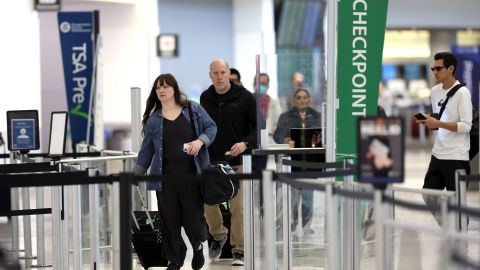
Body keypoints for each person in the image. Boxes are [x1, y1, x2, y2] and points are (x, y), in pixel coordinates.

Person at [133, 73, 217, 270]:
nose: (161, 90)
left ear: (174, 89)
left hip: (191, 175)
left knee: (192, 219)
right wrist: (137, 172)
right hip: (165, 178)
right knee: (169, 220)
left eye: (166, 87)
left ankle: (197, 247)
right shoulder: (154, 120)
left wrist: (200, 141)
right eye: (158, 88)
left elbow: (212, 127)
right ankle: (175, 259)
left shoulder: (192, 109)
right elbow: (147, 151)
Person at [200, 59, 257, 266]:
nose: (219, 76)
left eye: (223, 72)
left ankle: (239, 250)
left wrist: (245, 143)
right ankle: (217, 234)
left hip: (238, 160)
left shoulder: (244, 97)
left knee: (238, 207)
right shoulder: (205, 97)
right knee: (208, 202)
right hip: (213, 161)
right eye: (215, 73)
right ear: (210, 75)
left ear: (229, 74)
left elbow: (259, 126)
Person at [416, 52, 472, 221]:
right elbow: (439, 117)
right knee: (429, 195)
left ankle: (459, 239)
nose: (435, 72)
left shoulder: (462, 93)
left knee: (457, 204)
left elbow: (466, 126)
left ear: (451, 68)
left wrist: (438, 124)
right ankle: (450, 227)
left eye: (438, 68)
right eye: (433, 68)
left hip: (457, 157)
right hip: (438, 154)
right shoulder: (435, 91)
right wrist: (429, 120)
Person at [273, 88, 321, 234]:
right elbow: (278, 135)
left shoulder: (317, 116)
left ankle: (307, 226)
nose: (302, 100)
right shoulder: (285, 116)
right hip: (291, 163)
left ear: (309, 99)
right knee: (292, 199)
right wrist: (284, 139)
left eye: (304, 97)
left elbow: (322, 134)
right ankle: (292, 224)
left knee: (308, 197)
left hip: (310, 162)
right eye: (299, 97)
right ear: (294, 100)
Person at [254, 73, 281, 141]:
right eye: (258, 83)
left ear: (268, 85)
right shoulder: (248, 100)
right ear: (254, 84)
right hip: (251, 138)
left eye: (263, 84)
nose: (260, 86)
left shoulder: (274, 103)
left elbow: (278, 122)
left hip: (269, 138)